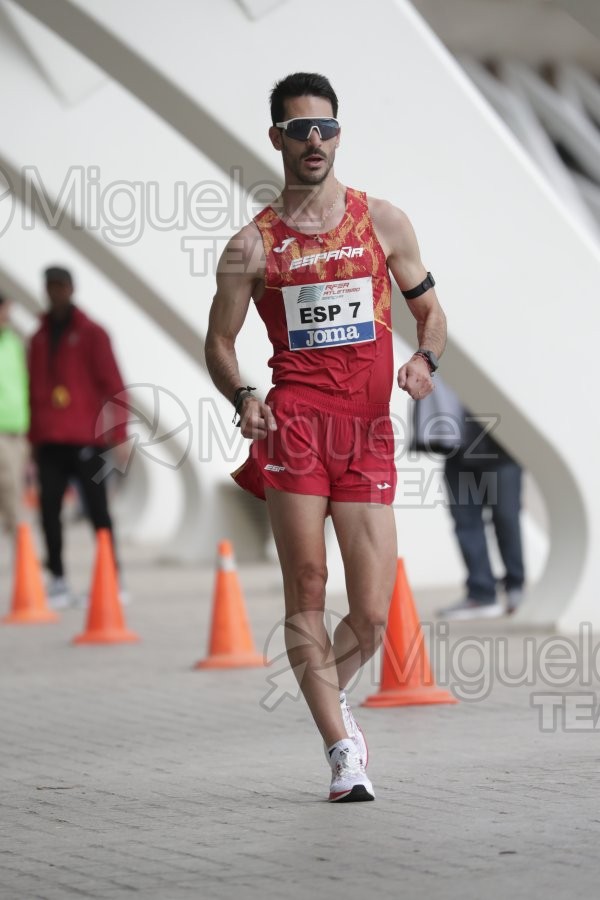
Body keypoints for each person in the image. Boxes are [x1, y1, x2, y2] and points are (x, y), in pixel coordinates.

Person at [205, 73, 447, 802]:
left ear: (339, 135)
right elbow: (218, 342)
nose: (315, 142)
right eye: (301, 130)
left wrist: (424, 359)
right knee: (307, 587)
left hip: (368, 430)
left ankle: (322, 692)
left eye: (327, 129)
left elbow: (432, 314)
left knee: (371, 615)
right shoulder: (252, 245)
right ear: (276, 138)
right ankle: (342, 751)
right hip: (297, 429)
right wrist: (243, 393)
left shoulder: (385, 223)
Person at [28, 266, 128, 608]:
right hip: (49, 440)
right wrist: (32, 440)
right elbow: (32, 390)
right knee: (48, 511)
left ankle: (112, 578)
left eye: (60, 286)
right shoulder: (38, 338)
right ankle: (57, 580)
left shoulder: (92, 333)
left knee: (98, 511)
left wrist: (120, 434)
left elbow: (115, 386)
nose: (55, 292)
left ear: (71, 288)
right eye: (50, 286)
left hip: (88, 438)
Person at [413, 379, 525, 619]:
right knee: (465, 523)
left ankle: (516, 587)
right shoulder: (439, 355)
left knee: (506, 518)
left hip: (501, 448)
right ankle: (481, 593)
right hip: (456, 449)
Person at [0, 294, 29, 538]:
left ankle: (22, 553)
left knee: (14, 490)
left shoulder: (13, 342)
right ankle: (22, 549)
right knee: (9, 490)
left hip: (17, 427)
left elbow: (23, 383)